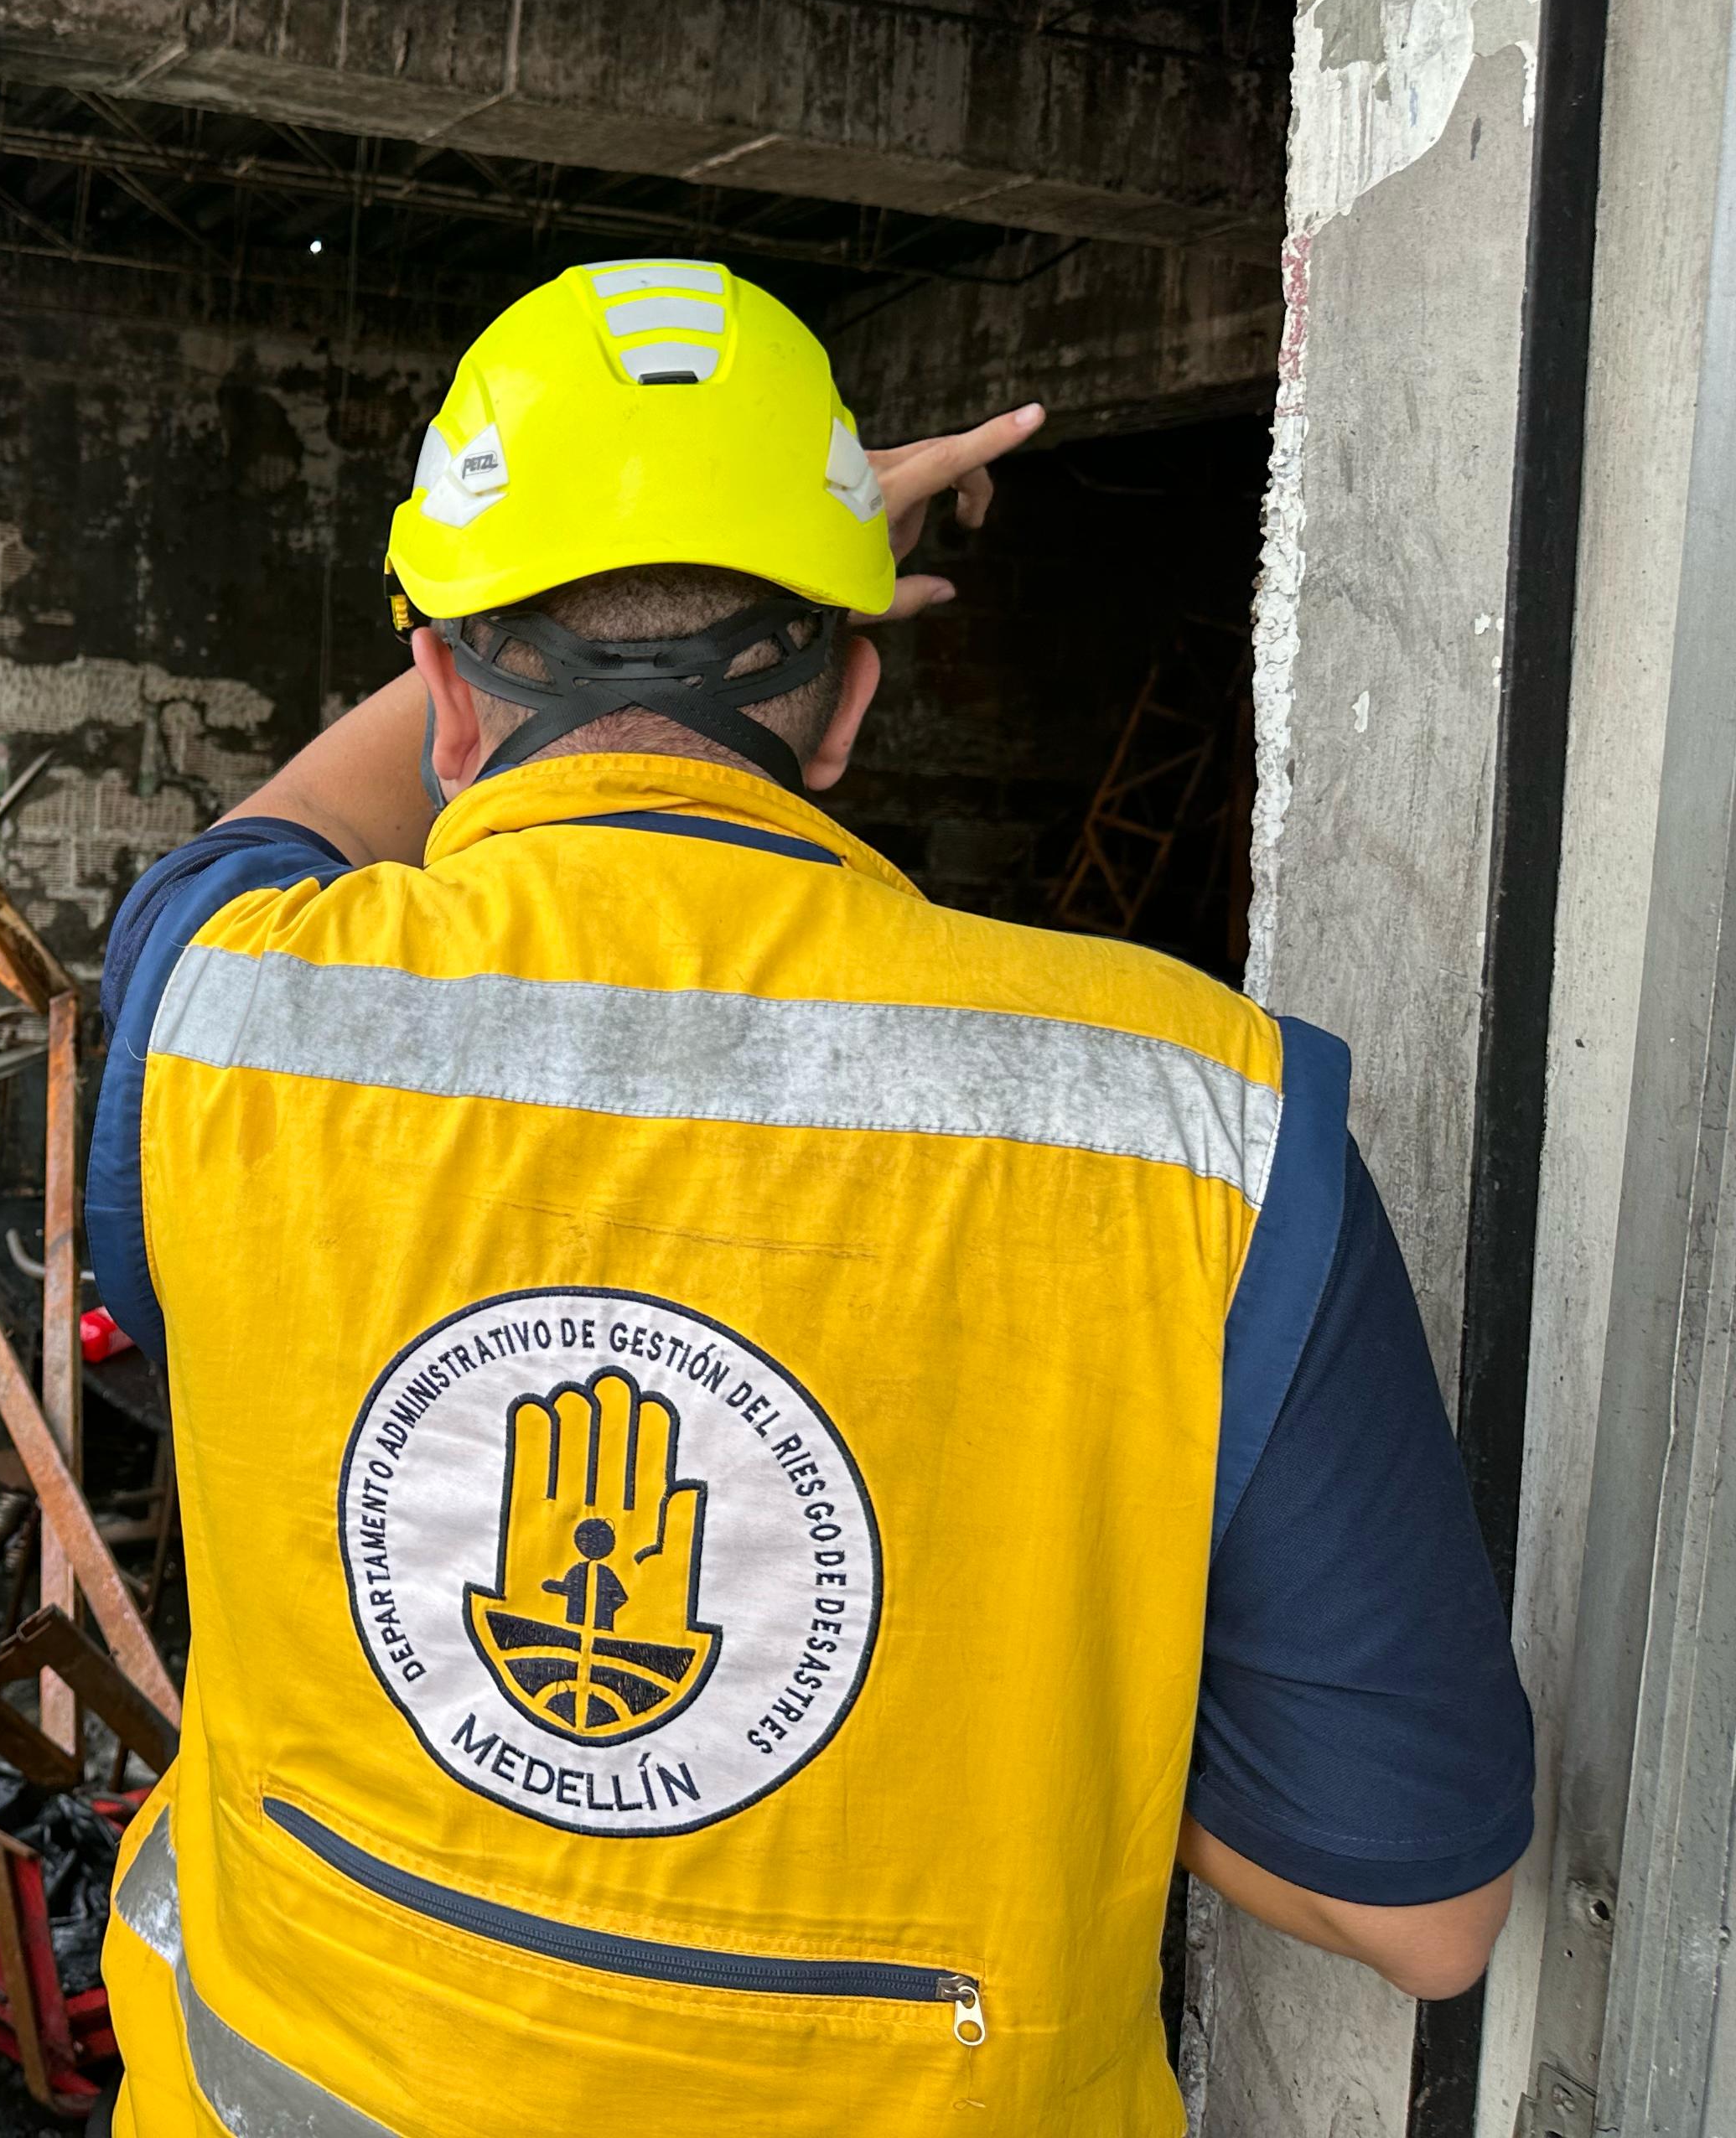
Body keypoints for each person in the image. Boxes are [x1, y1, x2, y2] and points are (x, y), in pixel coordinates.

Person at [84, 263, 1529, 2135]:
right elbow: (1418, 1906)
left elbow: (277, 826)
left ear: (445, 687)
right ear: (847, 703)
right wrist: (1010, 1660)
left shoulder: (224, 1017)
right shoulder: (1209, 1126)